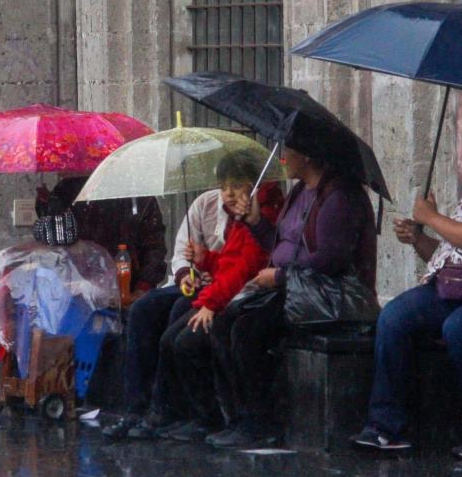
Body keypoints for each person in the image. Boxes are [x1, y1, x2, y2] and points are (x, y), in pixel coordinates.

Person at [206, 144, 377, 449]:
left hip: (327, 296)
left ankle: (261, 421)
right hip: (293, 288)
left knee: (249, 330)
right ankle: (238, 415)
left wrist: (280, 276)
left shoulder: (338, 196)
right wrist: (256, 222)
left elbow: (330, 259)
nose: (283, 159)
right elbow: (282, 245)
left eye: (289, 152)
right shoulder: (300, 192)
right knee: (225, 322)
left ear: (309, 154)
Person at [127, 152, 284, 442]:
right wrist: (204, 259)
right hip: (216, 291)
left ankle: (211, 416)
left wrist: (211, 304)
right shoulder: (234, 215)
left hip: (237, 297)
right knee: (166, 335)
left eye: (237, 186)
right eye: (224, 187)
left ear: (252, 185)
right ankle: (163, 410)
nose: (229, 193)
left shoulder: (259, 216)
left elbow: (244, 269)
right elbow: (227, 260)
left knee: (187, 340)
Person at [102, 187, 226, 439]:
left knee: (179, 312)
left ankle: (165, 408)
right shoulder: (204, 204)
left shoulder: (252, 215)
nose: (232, 194)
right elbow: (180, 253)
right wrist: (186, 274)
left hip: (220, 287)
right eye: (227, 187)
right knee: (143, 309)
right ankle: (135, 408)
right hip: (191, 283)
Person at [351, 193, 462, 456]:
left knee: (456, 329)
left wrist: (432, 218)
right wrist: (418, 238)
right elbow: (447, 257)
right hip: (450, 291)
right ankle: (385, 427)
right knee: (394, 318)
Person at [36, 176, 167, 296]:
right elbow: (55, 230)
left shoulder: (138, 195)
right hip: (78, 283)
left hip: (126, 283)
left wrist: (143, 286)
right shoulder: (69, 188)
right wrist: (47, 203)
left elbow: (154, 245)